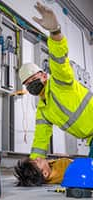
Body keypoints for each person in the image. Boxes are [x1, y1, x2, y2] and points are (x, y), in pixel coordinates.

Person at [19, 2, 93, 161]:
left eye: (33, 78)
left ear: (44, 75)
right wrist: (34, 164)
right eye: (27, 83)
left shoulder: (60, 81)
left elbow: (59, 58)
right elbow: (40, 140)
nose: (31, 84)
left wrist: (55, 31)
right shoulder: (43, 111)